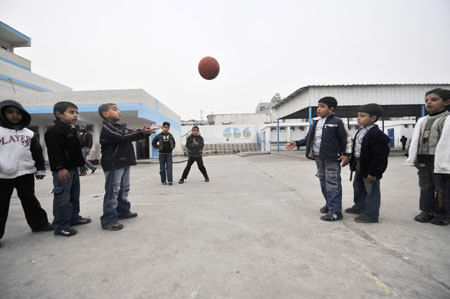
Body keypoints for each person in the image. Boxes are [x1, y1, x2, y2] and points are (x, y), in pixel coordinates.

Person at [286, 96, 352, 221]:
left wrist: (347, 154)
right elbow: (309, 139)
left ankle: (336, 211)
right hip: (318, 158)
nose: (318, 109)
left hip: (332, 158)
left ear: (331, 109)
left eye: (322, 106)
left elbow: (346, 139)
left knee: (333, 183)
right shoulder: (315, 122)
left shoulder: (337, 121)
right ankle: (329, 204)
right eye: (318, 106)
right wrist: (297, 143)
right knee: (323, 182)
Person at [98, 103, 159, 231]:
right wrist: (141, 133)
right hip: (114, 164)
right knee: (113, 191)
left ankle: (123, 211)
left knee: (124, 188)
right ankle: (109, 220)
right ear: (106, 114)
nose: (119, 111)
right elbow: (123, 137)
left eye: (118, 109)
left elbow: (131, 133)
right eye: (115, 109)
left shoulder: (119, 127)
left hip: (124, 162)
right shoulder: (107, 128)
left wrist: (143, 132)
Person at [0, 100, 53, 248]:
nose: (15, 115)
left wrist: (40, 169)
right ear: (2, 114)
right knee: (1, 205)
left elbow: (37, 152)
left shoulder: (28, 133)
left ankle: (39, 225)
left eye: (18, 112)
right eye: (10, 112)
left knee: (30, 200)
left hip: (25, 173)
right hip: (2, 175)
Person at [45, 101, 91, 237]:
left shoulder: (71, 129)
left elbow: (77, 150)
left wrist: (81, 164)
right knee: (62, 198)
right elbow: (55, 152)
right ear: (59, 114)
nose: (75, 115)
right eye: (71, 112)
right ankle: (60, 226)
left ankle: (73, 218)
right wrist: (60, 168)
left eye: (77, 112)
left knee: (74, 195)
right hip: (63, 170)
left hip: (74, 168)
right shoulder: (53, 132)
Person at [405, 88, 450, 226]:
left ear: (447, 102)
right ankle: (426, 211)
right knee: (425, 186)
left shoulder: (446, 119)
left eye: (434, 100)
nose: (429, 103)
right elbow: (416, 140)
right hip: (424, 159)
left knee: (442, 187)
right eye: (426, 100)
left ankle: (443, 214)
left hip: (441, 159)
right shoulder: (422, 120)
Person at [344, 104, 390, 223]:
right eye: (358, 115)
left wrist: (374, 171)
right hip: (360, 164)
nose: (358, 118)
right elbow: (357, 149)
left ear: (373, 118)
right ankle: (359, 206)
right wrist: (352, 162)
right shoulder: (361, 131)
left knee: (371, 191)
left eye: (362, 116)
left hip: (370, 168)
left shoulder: (378, 135)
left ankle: (371, 215)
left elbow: (380, 157)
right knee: (358, 187)